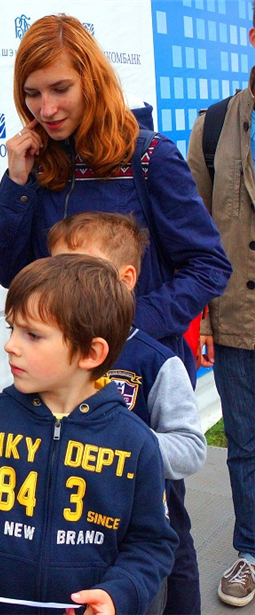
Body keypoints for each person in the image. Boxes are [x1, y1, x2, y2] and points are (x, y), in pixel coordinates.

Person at [0, 13, 231, 383]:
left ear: (92, 82)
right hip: (56, 376)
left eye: (60, 89)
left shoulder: (149, 157)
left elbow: (209, 267)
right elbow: (8, 271)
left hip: (138, 374)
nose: (46, 109)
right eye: (32, 94)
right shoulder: (34, 163)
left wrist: (124, 323)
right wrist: (17, 183)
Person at [0, 254, 178, 615]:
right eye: (11, 329)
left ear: (91, 353)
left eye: (33, 335)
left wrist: (116, 595)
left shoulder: (135, 442)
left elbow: (151, 543)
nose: (11, 345)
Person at [48, 211, 207, 613]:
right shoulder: (48, 353)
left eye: (81, 270)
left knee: (167, 578)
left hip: (142, 525)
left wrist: (127, 444)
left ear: (125, 280)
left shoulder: (156, 361)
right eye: (56, 268)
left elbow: (190, 448)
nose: (64, 283)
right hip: (70, 528)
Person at [187, 14, 255, 604]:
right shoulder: (212, 127)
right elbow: (196, 238)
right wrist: (205, 319)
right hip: (238, 319)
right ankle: (250, 551)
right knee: (246, 444)